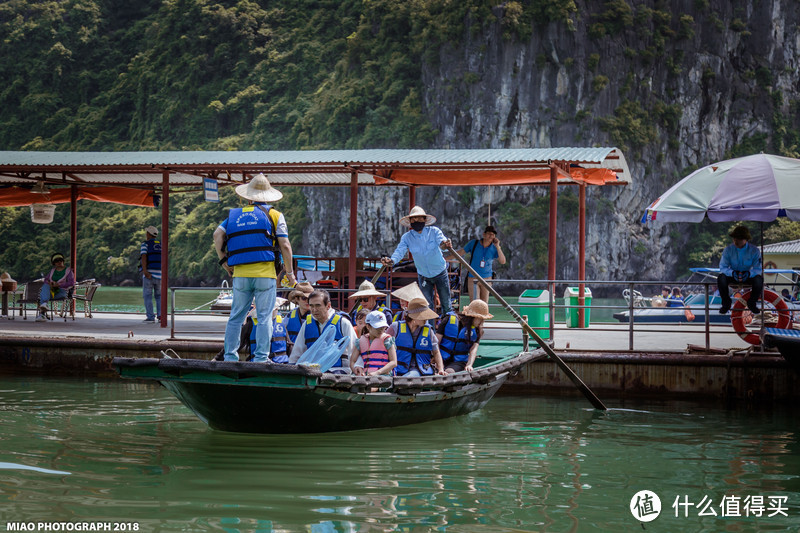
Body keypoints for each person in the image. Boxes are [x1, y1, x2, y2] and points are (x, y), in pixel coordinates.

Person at [213, 173, 296, 362]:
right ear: (268, 196)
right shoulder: (275, 215)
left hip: (240, 273)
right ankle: (260, 357)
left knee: (236, 316)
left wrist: (223, 260)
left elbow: (217, 234)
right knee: (265, 317)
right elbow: (285, 245)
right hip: (265, 275)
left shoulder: (235, 216)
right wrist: (290, 274)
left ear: (248, 197)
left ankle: (230, 356)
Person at [381, 206, 453, 316]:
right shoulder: (407, 237)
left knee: (446, 304)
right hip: (424, 275)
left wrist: (445, 244)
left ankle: (448, 330)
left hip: (440, 272)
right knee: (426, 306)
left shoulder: (434, 232)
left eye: (419, 219)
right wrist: (392, 260)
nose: (416, 221)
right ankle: (430, 331)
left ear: (424, 220)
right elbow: (399, 251)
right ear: (410, 222)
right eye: (413, 220)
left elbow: (442, 243)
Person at [289, 289, 358, 373]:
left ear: (328, 306)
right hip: (312, 371)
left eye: (318, 305)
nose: (314, 310)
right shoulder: (307, 324)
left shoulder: (342, 323)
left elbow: (354, 349)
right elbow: (297, 351)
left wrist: (355, 369)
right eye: (311, 306)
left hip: (338, 371)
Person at [387, 297, 446, 377]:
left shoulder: (428, 330)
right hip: (396, 369)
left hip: (418, 371)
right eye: (423, 316)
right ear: (413, 317)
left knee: (410, 376)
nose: (426, 319)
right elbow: (383, 344)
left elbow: (436, 352)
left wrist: (441, 369)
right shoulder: (395, 327)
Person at [437, 299, 493, 373]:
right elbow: (436, 342)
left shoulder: (477, 330)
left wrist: (469, 365)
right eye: (481, 319)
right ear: (474, 316)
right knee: (433, 370)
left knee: (449, 371)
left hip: (459, 362)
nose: (482, 322)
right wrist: (436, 360)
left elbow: (473, 349)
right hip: (441, 358)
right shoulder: (448, 320)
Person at [453, 225, 506, 302]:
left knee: (484, 305)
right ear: (484, 234)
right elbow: (461, 252)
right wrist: (445, 259)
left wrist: (498, 246)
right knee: (475, 303)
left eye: (493, 234)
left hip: (487, 279)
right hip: (473, 277)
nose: (491, 236)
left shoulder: (494, 248)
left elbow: (503, 261)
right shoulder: (474, 244)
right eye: (489, 233)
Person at [717, 225, 762, 315]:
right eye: (735, 238)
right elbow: (723, 267)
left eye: (739, 238)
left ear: (746, 239)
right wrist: (732, 273)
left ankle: (752, 302)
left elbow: (758, 269)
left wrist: (749, 273)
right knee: (721, 278)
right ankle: (726, 303)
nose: (736, 241)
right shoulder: (728, 250)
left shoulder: (755, 251)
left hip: (748, 277)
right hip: (733, 276)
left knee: (759, 279)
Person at [350, 311, 397, 376]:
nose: (381, 330)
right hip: (365, 375)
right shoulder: (360, 341)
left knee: (374, 386)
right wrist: (355, 369)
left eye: (383, 327)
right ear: (368, 326)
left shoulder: (387, 340)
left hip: (383, 376)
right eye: (377, 328)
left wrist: (378, 372)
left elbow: (394, 362)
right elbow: (353, 361)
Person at [36, 253, 75, 321]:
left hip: (61, 291)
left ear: (63, 261)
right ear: (54, 263)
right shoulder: (52, 270)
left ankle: (42, 314)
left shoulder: (68, 271)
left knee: (43, 294)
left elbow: (71, 283)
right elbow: (46, 280)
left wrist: (59, 285)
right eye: (57, 261)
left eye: (61, 260)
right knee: (46, 286)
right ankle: (44, 306)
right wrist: (50, 283)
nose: (59, 262)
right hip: (52, 291)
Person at [140, 226, 161, 323]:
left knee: (147, 296)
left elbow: (144, 257)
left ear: (149, 234)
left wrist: (145, 271)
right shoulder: (161, 244)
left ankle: (150, 317)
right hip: (160, 275)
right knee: (159, 296)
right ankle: (161, 315)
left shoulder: (145, 244)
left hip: (149, 274)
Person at [285, 281, 314, 353]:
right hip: (293, 353)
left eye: (309, 298)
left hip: (312, 354)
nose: (307, 301)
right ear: (297, 299)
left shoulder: (318, 316)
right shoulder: (289, 316)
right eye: (304, 298)